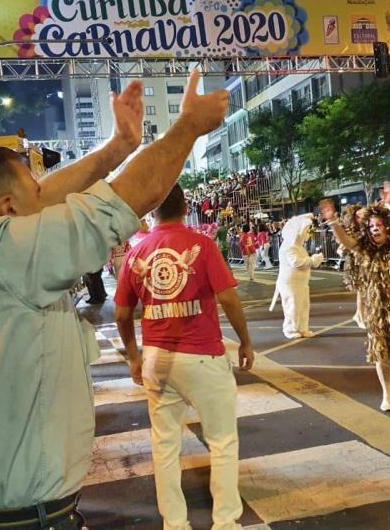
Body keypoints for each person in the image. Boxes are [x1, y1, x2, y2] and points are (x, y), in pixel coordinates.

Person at [0, 72, 228, 529]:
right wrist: (189, 125)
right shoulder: (2, 255)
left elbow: (42, 196)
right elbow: (135, 195)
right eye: (33, 190)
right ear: (7, 209)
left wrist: (117, 148)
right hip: (17, 523)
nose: (46, 196)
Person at [114, 184, 254, 530]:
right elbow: (229, 299)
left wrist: (133, 356)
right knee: (222, 441)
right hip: (203, 355)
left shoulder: (136, 253)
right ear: (186, 208)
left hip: (157, 358)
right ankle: (225, 522)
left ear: (151, 212)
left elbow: (122, 314)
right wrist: (245, 341)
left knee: (165, 445)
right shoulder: (202, 245)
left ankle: (175, 524)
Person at [322, 201, 390, 413]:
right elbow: (346, 241)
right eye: (371, 226)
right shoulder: (363, 250)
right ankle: (387, 395)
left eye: (379, 225)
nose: (375, 229)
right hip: (378, 312)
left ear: (386, 227)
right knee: (381, 355)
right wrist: (333, 222)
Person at [270, 214, 323, 339]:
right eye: (306, 230)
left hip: (301, 283)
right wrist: (312, 260)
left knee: (303, 306)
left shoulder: (298, 246)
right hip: (290, 284)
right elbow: (296, 262)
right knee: (292, 306)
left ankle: (302, 328)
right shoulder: (289, 246)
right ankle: (290, 329)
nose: (308, 233)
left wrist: (312, 260)